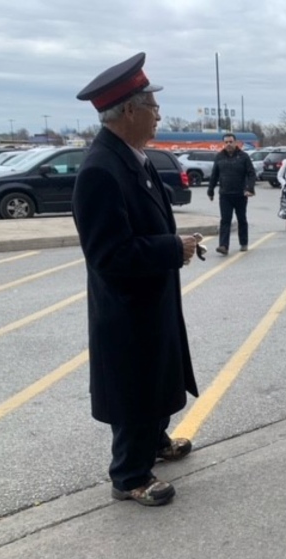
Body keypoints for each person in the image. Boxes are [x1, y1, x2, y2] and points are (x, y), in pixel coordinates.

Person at [72, 52, 200, 507]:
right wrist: (172, 248)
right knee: (133, 386)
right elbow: (108, 254)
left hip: (152, 296)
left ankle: (156, 441)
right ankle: (129, 474)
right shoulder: (99, 171)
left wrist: (175, 243)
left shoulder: (135, 157)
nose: (159, 113)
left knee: (157, 374)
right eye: (152, 105)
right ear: (128, 110)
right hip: (126, 309)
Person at [207, 133, 256, 254]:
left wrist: (250, 188)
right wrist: (210, 190)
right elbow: (214, 175)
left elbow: (251, 174)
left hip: (240, 194)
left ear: (235, 142)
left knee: (241, 219)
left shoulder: (243, 157)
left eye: (230, 142)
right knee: (225, 220)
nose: (228, 144)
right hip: (225, 195)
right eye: (226, 142)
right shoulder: (219, 157)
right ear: (223, 143)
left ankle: (243, 243)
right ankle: (223, 246)